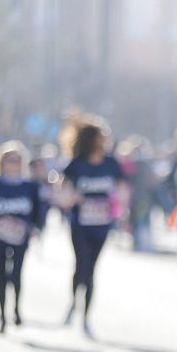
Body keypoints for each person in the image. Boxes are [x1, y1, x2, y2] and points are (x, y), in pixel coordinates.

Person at [58, 116, 126, 337]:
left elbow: (123, 188)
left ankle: (86, 317)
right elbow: (63, 192)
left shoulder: (111, 163)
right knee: (81, 265)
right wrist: (73, 197)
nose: (105, 140)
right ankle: (73, 303)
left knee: (92, 270)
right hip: (80, 224)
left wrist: (118, 204)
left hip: (102, 224)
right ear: (91, 139)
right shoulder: (76, 164)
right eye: (101, 136)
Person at [0, 142, 46, 333]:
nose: (13, 164)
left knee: (16, 275)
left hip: (21, 237)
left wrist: (36, 227)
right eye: (9, 160)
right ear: (2, 163)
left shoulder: (29, 187)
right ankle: (2, 318)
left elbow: (40, 209)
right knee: (1, 278)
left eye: (17, 160)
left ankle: (16, 310)